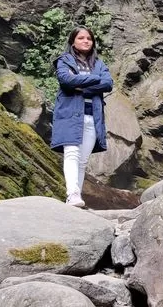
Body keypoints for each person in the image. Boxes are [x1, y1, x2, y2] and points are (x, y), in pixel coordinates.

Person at [50, 26, 113, 208]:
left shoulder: (98, 64)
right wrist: (95, 80)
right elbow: (66, 81)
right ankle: (72, 195)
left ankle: (75, 197)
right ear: (73, 42)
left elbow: (108, 83)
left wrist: (81, 84)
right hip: (69, 114)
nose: (86, 41)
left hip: (92, 116)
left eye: (89, 39)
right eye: (81, 38)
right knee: (71, 153)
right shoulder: (64, 61)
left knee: (83, 161)